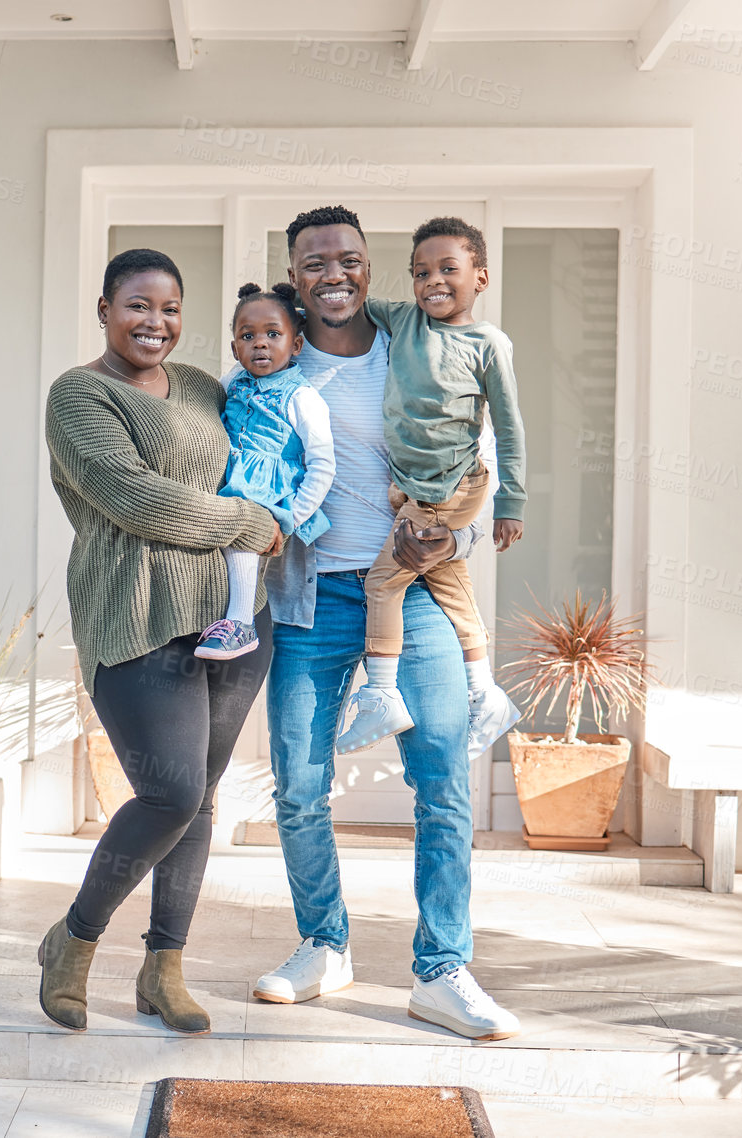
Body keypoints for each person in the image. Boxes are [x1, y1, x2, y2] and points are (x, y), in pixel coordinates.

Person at [254, 206, 522, 1041]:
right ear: (293, 277)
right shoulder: (274, 366)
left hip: (413, 594)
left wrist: (462, 530)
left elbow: (471, 469)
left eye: (348, 260)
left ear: (369, 270)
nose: (332, 274)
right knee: (298, 785)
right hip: (310, 597)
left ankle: (442, 970)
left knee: (441, 781)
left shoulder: (420, 345)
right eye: (312, 263)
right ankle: (323, 946)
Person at [40, 248, 283, 1036]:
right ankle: (72, 942)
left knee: (200, 801)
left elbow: (262, 453)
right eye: (138, 306)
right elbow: (132, 496)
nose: (156, 323)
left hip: (235, 617)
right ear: (105, 308)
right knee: (168, 793)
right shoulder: (79, 394)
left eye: (171, 309)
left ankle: (162, 967)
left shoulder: (207, 390)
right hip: (136, 613)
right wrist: (246, 522)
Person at [334, 217, 526, 758]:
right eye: (421, 272)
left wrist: (512, 503)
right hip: (414, 490)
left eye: (448, 269)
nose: (433, 281)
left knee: (382, 583)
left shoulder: (488, 344)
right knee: (448, 580)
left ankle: (381, 693)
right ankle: (486, 694)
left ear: (480, 278)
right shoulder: (402, 319)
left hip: (453, 485)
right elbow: (348, 298)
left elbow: (510, 428)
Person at [195, 281, 335, 661]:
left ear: (296, 345)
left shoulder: (302, 397)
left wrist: (291, 517)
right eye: (248, 336)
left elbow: (323, 465)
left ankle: (240, 624)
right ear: (234, 348)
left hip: (271, 491)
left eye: (273, 334)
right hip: (232, 476)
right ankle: (219, 615)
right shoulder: (232, 381)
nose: (260, 343)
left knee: (243, 530)